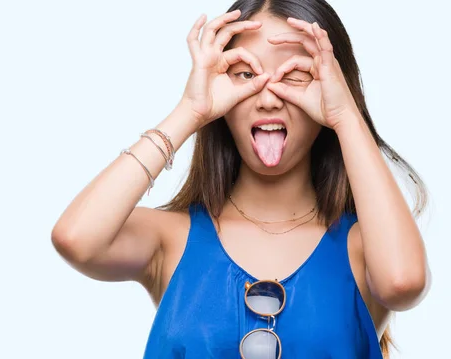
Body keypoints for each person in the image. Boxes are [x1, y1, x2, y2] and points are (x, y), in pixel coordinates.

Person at [52, 0, 431, 357]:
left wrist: (346, 117)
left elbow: (402, 283)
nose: (268, 98)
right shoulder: (168, 238)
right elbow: (77, 239)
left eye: (296, 75)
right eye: (246, 74)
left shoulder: (366, 247)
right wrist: (190, 110)